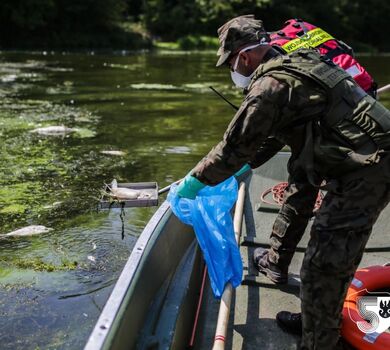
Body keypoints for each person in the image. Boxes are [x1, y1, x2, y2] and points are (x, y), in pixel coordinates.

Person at [175, 14, 390, 350]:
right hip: (366, 158)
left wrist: (193, 182)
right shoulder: (300, 60)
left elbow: (231, 151)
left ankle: (318, 343)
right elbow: (272, 138)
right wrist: (242, 164)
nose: (233, 70)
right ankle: (317, 321)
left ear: (243, 57)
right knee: (331, 256)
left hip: (368, 170)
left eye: (230, 62)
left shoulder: (268, 88)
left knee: (322, 266)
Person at [249, 18, 378, 288]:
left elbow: (275, 129)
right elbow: (347, 54)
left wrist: (247, 159)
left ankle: (276, 263)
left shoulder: (274, 61)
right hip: (367, 102)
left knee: (304, 174)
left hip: (336, 111)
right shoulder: (303, 29)